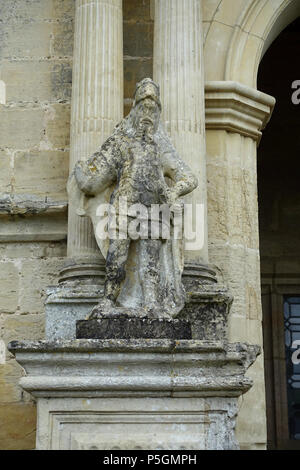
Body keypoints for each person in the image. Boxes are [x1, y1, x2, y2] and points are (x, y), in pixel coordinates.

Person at [69, 78, 198, 318]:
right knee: (116, 259)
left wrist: (173, 191)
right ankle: (109, 299)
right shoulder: (120, 142)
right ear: (135, 110)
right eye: (144, 109)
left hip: (154, 208)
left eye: (153, 110)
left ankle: (151, 304)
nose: (148, 115)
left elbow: (189, 178)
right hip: (124, 207)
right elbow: (94, 181)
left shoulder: (162, 147)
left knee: (151, 266)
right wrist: (81, 171)